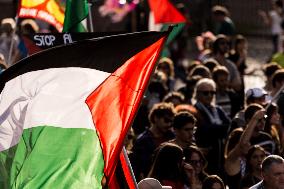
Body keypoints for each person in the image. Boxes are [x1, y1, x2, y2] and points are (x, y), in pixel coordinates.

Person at [193, 78, 231, 176]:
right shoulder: (194, 110)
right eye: (206, 93)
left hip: (220, 154)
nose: (209, 95)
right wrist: (219, 128)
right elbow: (205, 130)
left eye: (212, 92)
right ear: (197, 94)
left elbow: (230, 126)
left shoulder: (217, 109)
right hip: (205, 156)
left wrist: (215, 128)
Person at [131, 102, 176, 180]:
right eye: (166, 120)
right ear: (155, 118)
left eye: (171, 122)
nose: (169, 124)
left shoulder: (171, 136)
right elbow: (139, 168)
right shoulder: (142, 141)